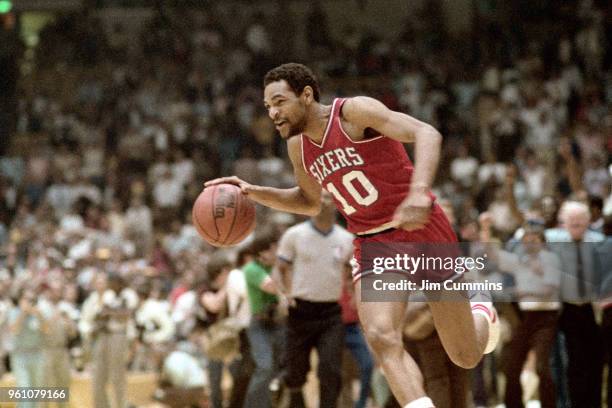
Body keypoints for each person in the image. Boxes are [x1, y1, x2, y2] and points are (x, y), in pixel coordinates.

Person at [206, 62, 499, 408]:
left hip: (421, 227)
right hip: (373, 241)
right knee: (380, 336)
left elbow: (426, 133)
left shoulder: (353, 112)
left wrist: (419, 191)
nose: (272, 113)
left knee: (464, 355)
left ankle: (481, 309)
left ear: (307, 95)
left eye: (279, 102)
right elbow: (309, 202)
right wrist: (252, 191)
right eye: (267, 106)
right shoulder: (298, 147)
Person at [276, 191, 353, 407]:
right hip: (300, 311)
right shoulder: (294, 234)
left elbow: (349, 275)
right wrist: (285, 294)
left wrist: (355, 297)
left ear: (337, 203)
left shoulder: (346, 239)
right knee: (295, 371)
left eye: (328, 197)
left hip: (331, 313)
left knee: (331, 370)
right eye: (318, 197)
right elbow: (281, 268)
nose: (322, 201)